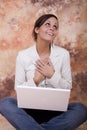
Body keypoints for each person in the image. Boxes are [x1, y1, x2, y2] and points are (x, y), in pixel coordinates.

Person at [0, 14, 87, 130]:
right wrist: (36, 80)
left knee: (80, 109)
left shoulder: (63, 54)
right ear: (37, 29)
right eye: (48, 24)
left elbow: (67, 86)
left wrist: (52, 75)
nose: (52, 28)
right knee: (5, 103)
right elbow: (18, 88)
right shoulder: (23, 55)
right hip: (29, 112)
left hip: (56, 113)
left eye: (55, 26)